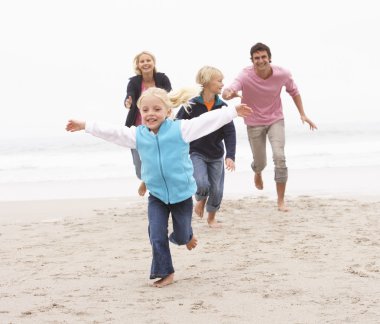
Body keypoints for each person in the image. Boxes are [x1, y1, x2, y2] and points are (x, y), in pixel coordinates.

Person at [66, 87, 252, 288]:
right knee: (156, 233)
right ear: (140, 114)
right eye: (145, 110)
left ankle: (187, 236)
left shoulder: (180, 129)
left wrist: (232, 111)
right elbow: (113, 133)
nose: (150, 114)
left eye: (156, 109)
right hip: (157, 196)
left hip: (181, 194)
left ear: (168, 112)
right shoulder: (138, 135)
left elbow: (205, 122)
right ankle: (165, 272)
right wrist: (86, 125)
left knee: (180, 237)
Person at [222, 42, 317, 212]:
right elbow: (229, 90)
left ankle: (281, 201)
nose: (260, 60)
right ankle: (257, 171)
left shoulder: (282, 74)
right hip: (253, 122)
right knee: (260, 162)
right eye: (256, 58)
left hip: (275, 119)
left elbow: (294, 91)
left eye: (263, 57)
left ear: (269, 58)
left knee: (279, 157)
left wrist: (302, 114)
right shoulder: (245, 75)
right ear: (252, 60)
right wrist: (229, 94)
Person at [176, 66, 236, 228]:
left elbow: (230, 133)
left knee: (216, 189)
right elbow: (177, 126)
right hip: (196, 152)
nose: (222, 84)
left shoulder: (223, 107)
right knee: (201, 183)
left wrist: (230, 155)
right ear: (207, 82)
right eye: (219, 80)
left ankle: (211, 218)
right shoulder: (191, 104)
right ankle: (201, 199)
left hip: (216, 154)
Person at [124, 51, 172, 196]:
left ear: (153, 62)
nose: (145, 63)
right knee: (139, 167)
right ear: (138, 65)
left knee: (160, 159)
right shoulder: (134, 82)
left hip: (160, 127)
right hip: (138, 127)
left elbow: (169, 96)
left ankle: (157, 186)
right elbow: (130, 94)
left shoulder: (162, 78)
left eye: (148, 60)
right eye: (142, 61)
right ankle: (145, 179)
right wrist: (128, 101)